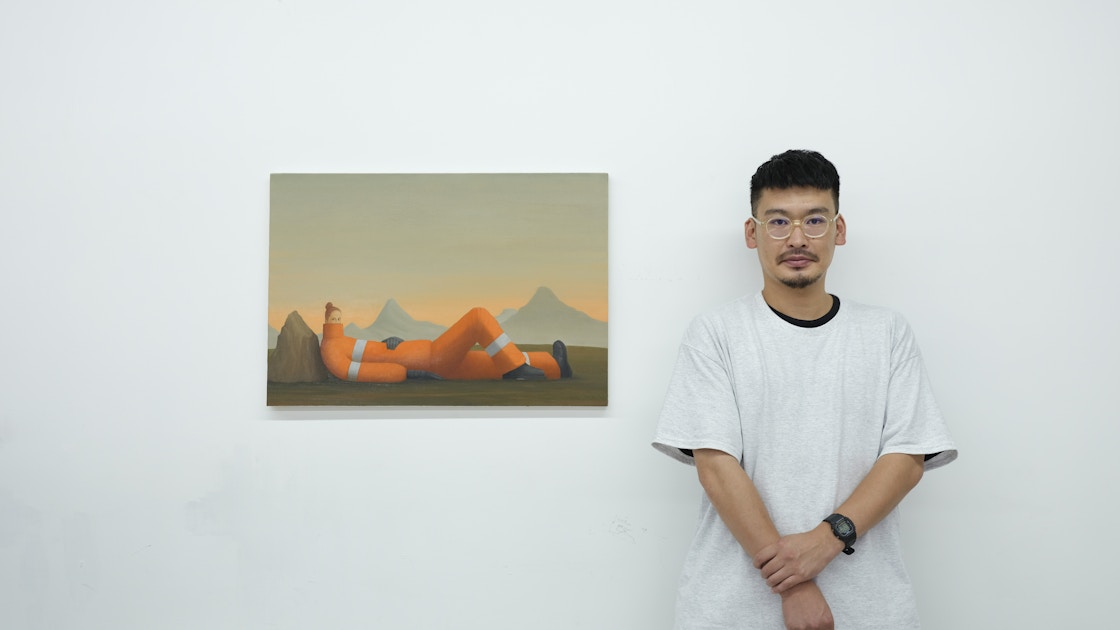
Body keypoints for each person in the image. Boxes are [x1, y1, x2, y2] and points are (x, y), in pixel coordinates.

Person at [651, 150, 957, 629]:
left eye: (814, 220)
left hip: (869, 607)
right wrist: (795, 584)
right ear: (752, 233)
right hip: (732, 610)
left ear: (839, 229)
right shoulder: (715, 333)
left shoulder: (886, 332)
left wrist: (826, 540)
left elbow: (907, 457)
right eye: (778, 222)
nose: (797, 239)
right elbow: (715, 467)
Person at [320, 302, 573, 382]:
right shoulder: (331, 351)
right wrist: (409, 373)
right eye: (335, 318)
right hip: (432, 359)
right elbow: (366, 373)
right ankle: (516, 368)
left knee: (487, 363)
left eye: (338, 317)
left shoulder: (340, 341)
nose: (337, 320)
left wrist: (392, 344)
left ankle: (555, 366)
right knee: (478, 318)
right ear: (327, 320)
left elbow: (373, 354)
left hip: (430, 358)